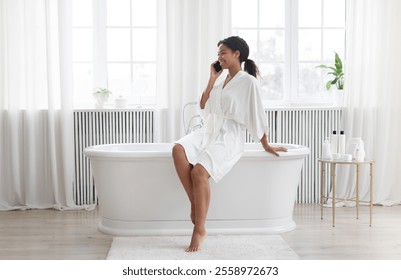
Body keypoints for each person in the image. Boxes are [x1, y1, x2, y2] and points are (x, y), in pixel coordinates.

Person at [172, 36, 287, 252]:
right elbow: (203, 104)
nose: (219, 57)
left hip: (229, 134)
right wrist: (211, 77)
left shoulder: (248, 82)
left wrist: (265, 144)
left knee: (198, 173)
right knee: (178, 149)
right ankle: (196, 205)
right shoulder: (218, 77)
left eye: (223, 52)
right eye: (218, 54)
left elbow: (257, 114)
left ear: (237, 54)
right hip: (208, 129)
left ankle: (200, 228)